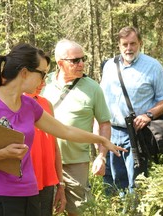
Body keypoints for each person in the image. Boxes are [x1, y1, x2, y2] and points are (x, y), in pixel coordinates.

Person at [0, 43, 126, 216]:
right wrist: (3, 153)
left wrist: (101, 140)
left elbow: (65, 131)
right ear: (24, 72)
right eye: (42, 73)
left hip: (31, 194)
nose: (44, 80)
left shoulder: (30, 105)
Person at [100, 26, 163, 195]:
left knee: (136, 183)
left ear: (140, 43)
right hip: (110, 132)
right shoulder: (109, 66)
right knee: (111, 183)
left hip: (137, 134)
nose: (129, 48)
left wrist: (149, 115)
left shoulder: (153, 66)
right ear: (119, 45)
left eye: (133, 43)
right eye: (124, 44)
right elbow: (102, 98)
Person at [41, 39, 111, 216]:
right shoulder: (43, 83)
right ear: (60, 63)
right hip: (44, 159)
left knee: (77, 210)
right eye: (75, 60)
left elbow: (104, 123)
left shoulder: (93, 88)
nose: (81, 64)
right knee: (41, 208)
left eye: (83, 58)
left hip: (75, 163)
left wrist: (101, 156)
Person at [24, 72, 64, 216]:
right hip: (23, 181)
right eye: (39, 80)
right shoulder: (15, 102)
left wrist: (61, 184)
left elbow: (54, 147)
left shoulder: (46, 104)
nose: (43, 84)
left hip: (47, 181)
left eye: (44, 80)